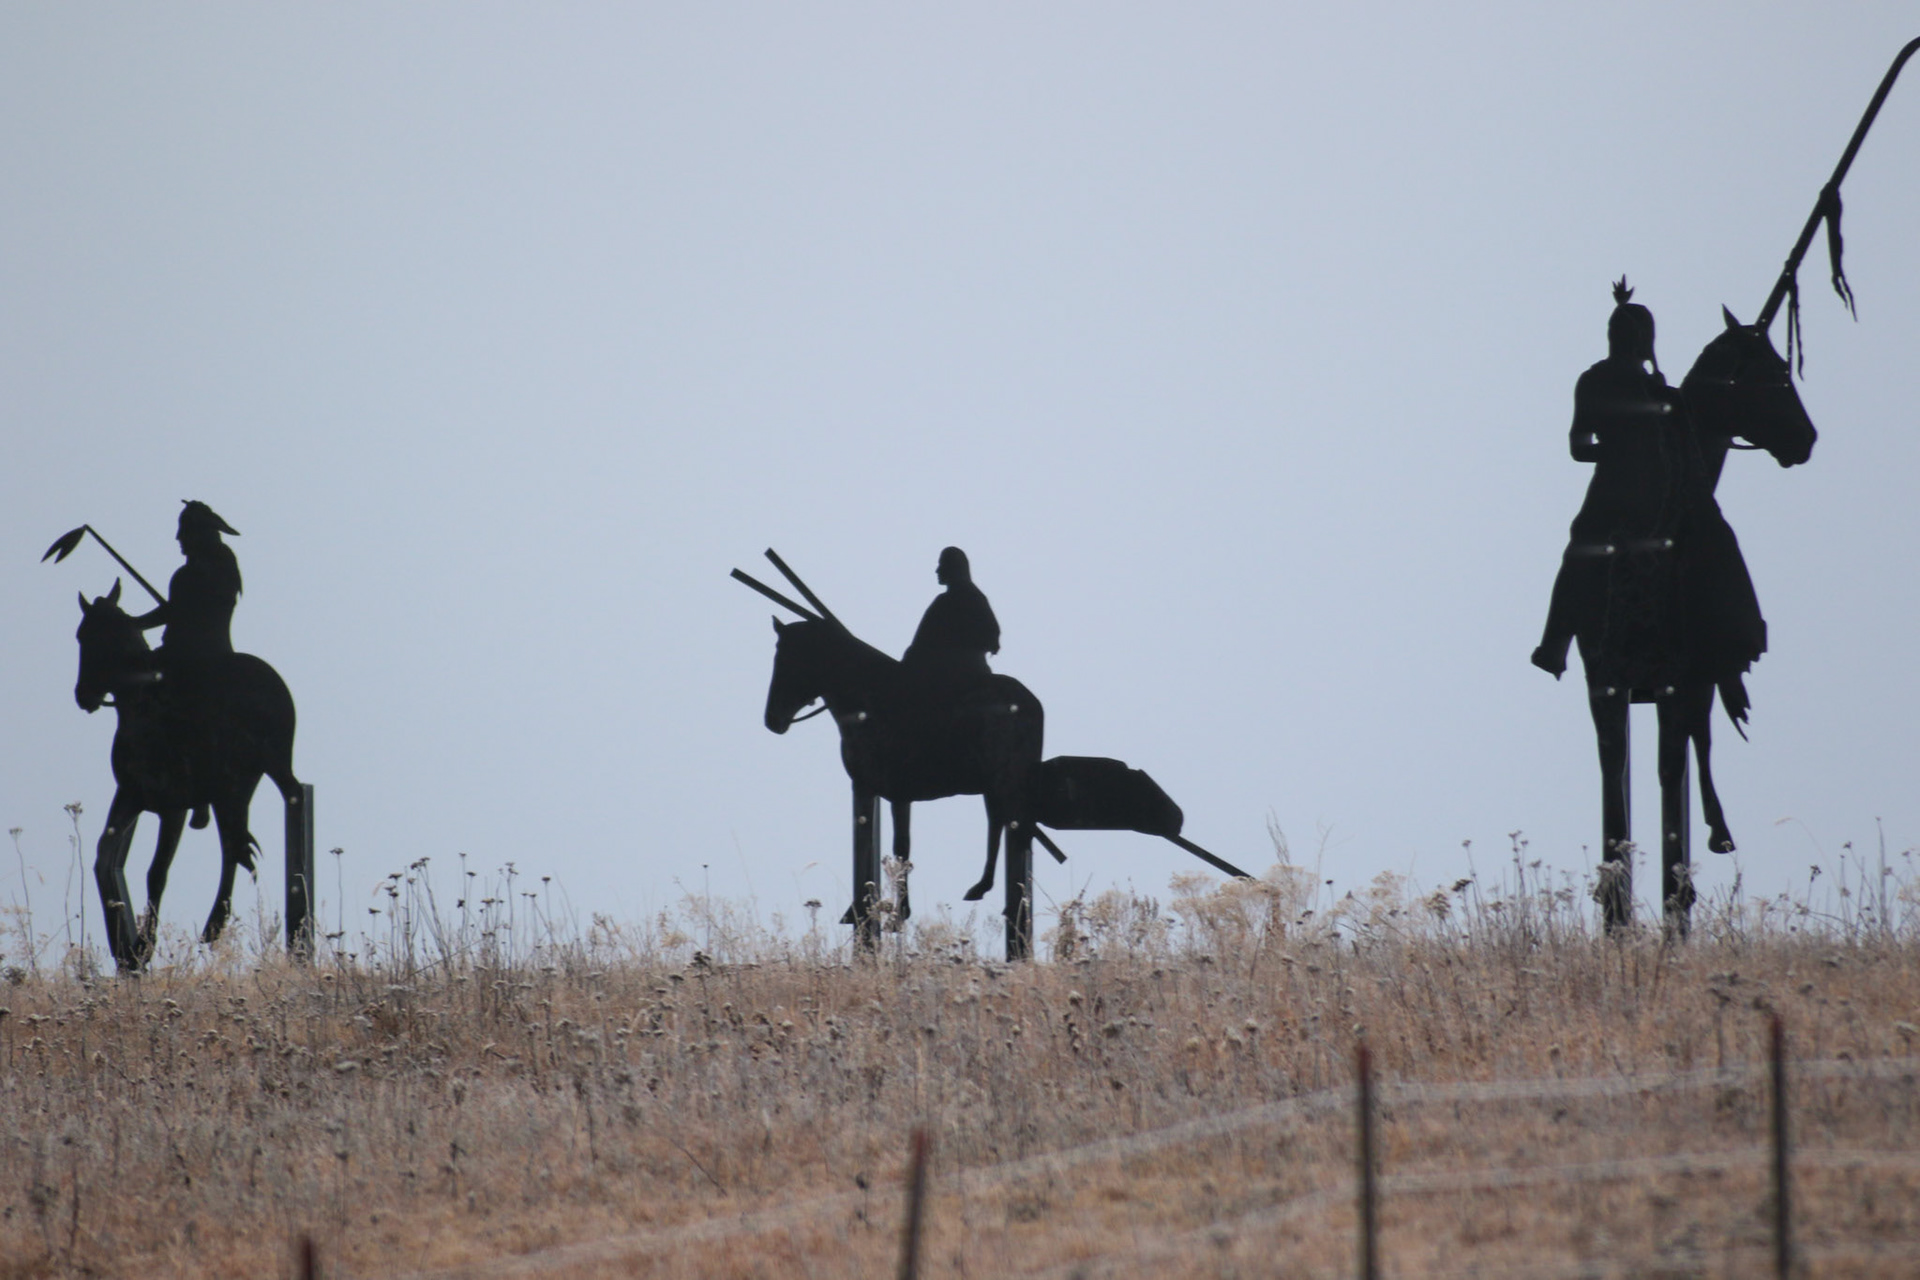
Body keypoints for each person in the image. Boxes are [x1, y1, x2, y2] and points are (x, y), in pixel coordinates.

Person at [1532, 280, 1686, 680]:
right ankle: (1555, 646)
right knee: (1581, 553)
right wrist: (1619, 451)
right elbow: (1579, 445)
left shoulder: (1658, 387)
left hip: (1660, 488)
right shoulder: (1596, 380)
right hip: (1615, 491)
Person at [130, 500, 243, 827]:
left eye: (183, 533)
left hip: (190, 655)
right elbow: (175, 612)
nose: (178, 539)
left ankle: (160, 768)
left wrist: (133, 625)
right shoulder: (220, 573)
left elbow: (172, 614)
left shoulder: (193, 574)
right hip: (210, 650)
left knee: (145, 696)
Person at [903, 547, 1000, 688]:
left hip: (950, 674)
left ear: (952, 567)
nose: (937, 570)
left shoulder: (946, 602)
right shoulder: (977, 597)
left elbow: (920, 645)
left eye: (941, 564)